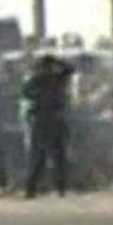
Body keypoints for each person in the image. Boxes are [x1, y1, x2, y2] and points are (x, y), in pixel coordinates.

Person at [22, 55, 74, 198]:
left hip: (55, 121)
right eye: (45, 66)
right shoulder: (34, 81)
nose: (48, 69)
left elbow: (70, 69)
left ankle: (60, 189)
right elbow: (26, 96)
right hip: (40, 121)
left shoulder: (57, 78)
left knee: (59, 157)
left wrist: (57, 60)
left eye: (49, 66)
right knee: (39, 157)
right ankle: (30, 189)